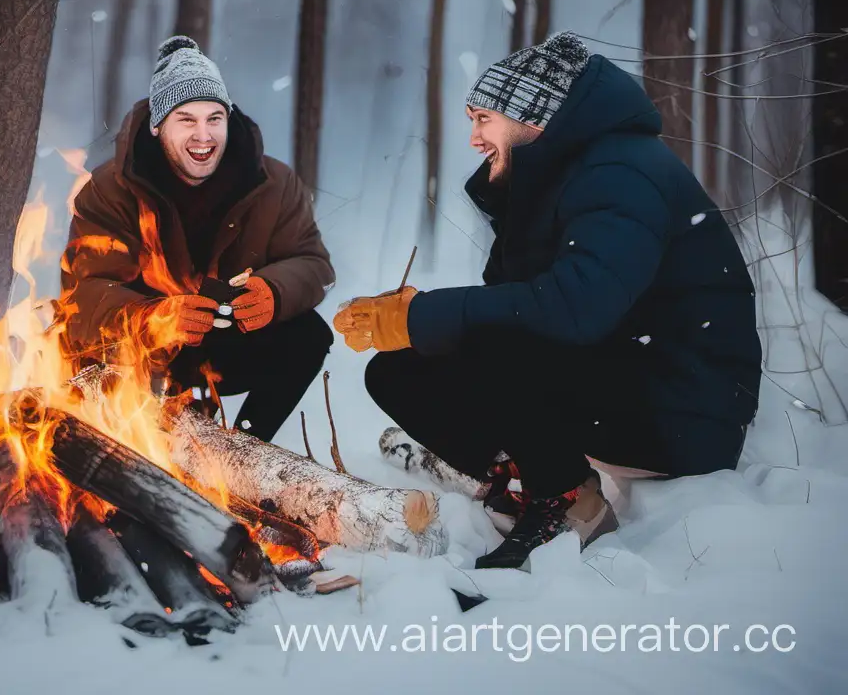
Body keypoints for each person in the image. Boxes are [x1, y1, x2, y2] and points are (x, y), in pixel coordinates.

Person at [333, 32, 761, 570]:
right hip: (631, 379)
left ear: (533, 116)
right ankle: (527, 480)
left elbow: (576, 307)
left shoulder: (620, 173)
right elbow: (509, 302)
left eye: (483, 119)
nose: (473, 138)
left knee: (497, 340)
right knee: (399, 371)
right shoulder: (557, 179)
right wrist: (414, 314)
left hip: (683, 412)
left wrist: (424, 314)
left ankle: (565, 503)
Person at [60, 35, 335, 442]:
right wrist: (155, 319)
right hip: (143, 353)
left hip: (223, 340)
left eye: (214, 118)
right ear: (157, 126)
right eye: (186, 119)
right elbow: (83, 295)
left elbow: (312, 262)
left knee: (309, 335)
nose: (203, 136)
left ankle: (246, 450)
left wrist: (273, 291)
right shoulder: (110, 190)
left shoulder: (274, 183)